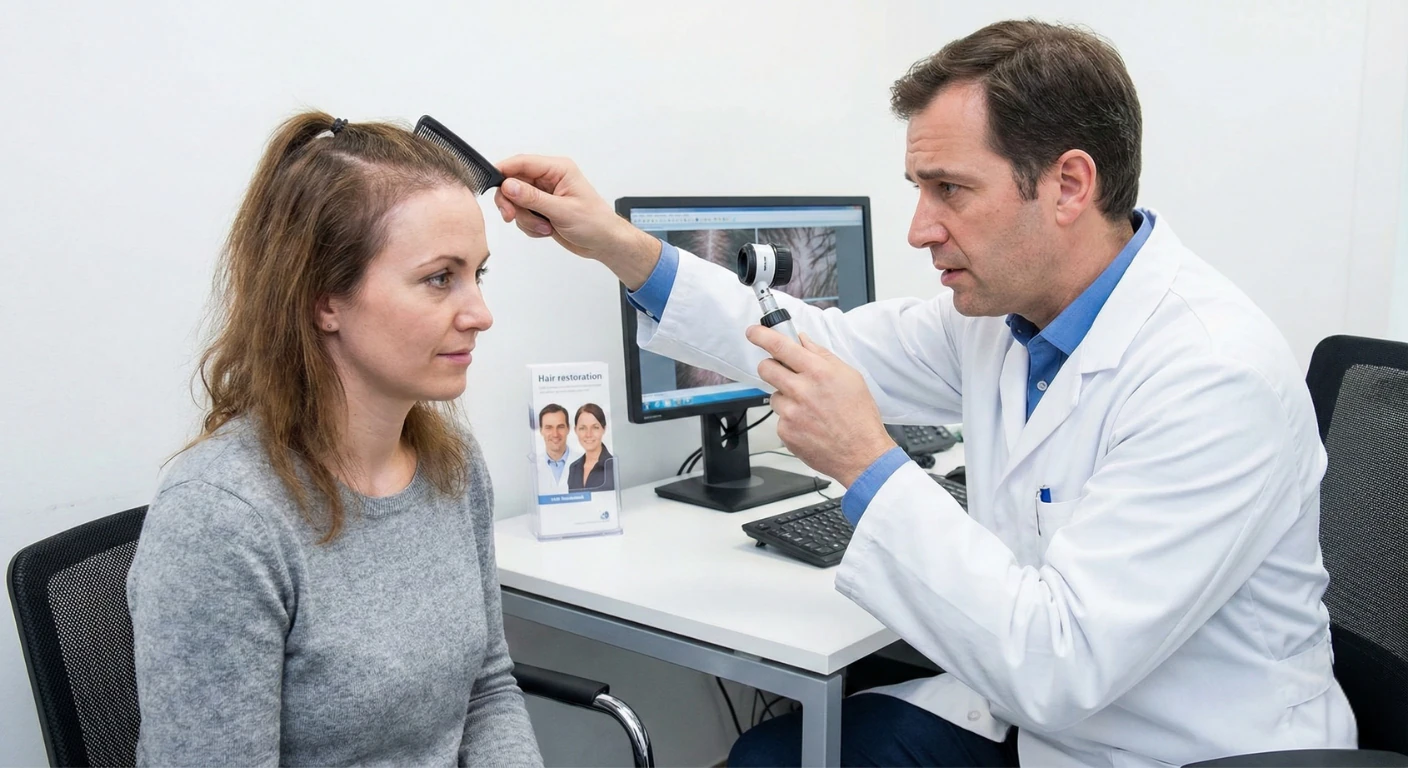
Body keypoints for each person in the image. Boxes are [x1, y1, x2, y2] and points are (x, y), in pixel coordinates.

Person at [492, 19, 1354, 768]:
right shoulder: (1003, 318)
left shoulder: (1210, 374)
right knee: (770, 756)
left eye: (951, 190)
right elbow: (810, 341)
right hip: (1046, 721)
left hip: (1186, 748)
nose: (919, 229)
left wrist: (867, 461)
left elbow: (1060, 662)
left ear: (1069, 185)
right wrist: (617, 246)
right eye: (919, 190)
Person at [126, 112, 543, 766]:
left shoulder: (451, 465)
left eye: (477, 275)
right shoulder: (221, 520)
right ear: (325, 300)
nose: (479, 314)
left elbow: (486, 684)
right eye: (440, 278)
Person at [567, 402, 615, 492]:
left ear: (604, 429)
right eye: (582, 428)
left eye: (595, 427)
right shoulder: (573, 468)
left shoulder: (614, 467)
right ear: (575, 430)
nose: (588, 434)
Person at [536, 403, 577, 495]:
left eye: (560, 427)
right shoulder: (533, 468)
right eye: (549, 428)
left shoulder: (585, 462)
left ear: (568, 429)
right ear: (541, 430)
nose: (555, 434)